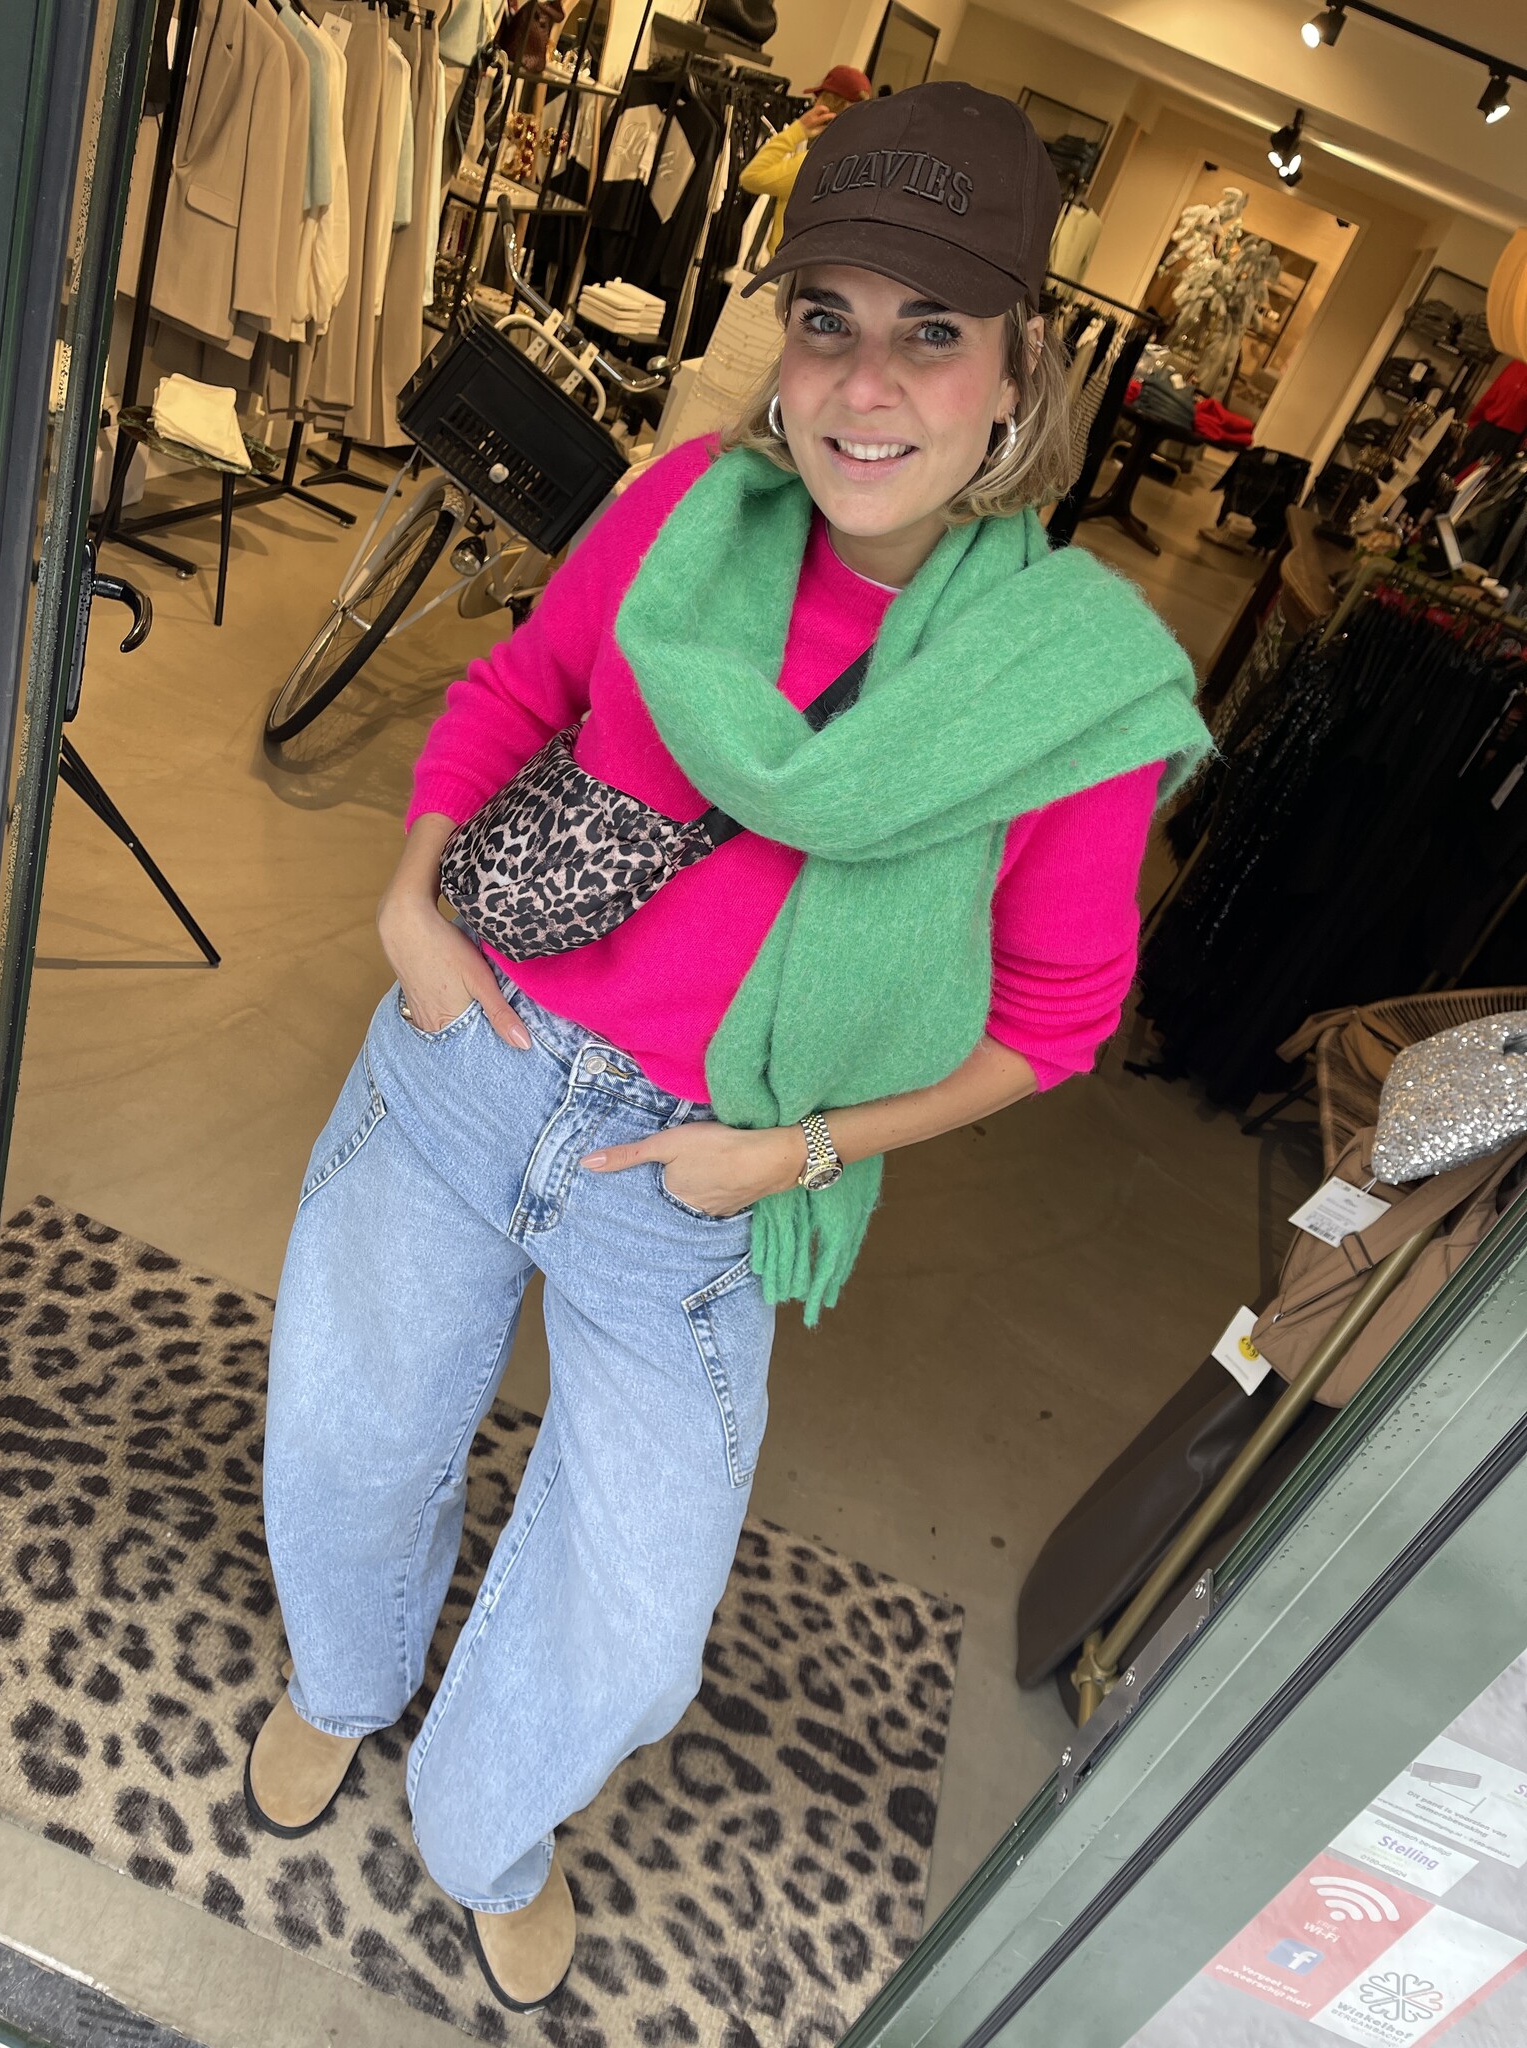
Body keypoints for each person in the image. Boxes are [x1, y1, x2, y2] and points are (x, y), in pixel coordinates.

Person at [249, 80, 1211, 2016]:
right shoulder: (691, 511)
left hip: (700, 1174)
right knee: (345, 1429)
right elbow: (520, 688)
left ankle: (487, 1819)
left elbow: (1050, 1025)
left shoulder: (1075, 688)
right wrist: (411, 900)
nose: (866, 384)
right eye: (828, 316)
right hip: (470, 1052)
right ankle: (341, 1676)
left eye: (932, 331)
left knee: (635, 1609)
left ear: (1022, 370)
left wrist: (797, 1154)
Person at [738, 63, 871, 259]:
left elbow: (751, 177)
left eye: (819, 98)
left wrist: (798, 130)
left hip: (789, 264)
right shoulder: (863, 161)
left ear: (827, 105)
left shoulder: (817, 163)